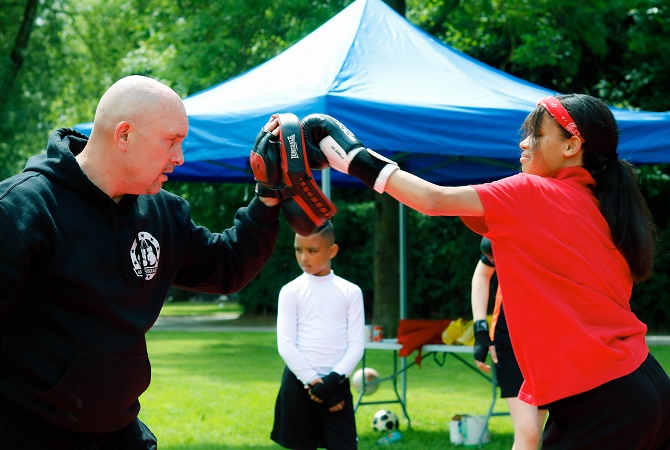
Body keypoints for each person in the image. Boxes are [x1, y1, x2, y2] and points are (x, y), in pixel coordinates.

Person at [299, 93, 670, 448]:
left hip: (604, 398)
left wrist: (352, 157)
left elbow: (433, 199)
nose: (524, 143)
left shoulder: (532, 193)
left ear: (572, 146)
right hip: (644, 385)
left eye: (537, 134)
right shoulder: (606, 211)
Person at [0, 75, 282, 449]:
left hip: (117, 429)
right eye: (172, 140)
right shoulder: (21, 209)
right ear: (124, 135)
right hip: (27, 433)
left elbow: (228, 266)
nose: (180, 157)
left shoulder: (164, 212)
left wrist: (268, 197)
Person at [271, 220, 365, 450]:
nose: (304, 257)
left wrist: (331, 384)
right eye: (298, 250)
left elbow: (356, 345)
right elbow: (286, 344)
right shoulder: (290, 291)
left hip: (337, 387)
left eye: (312, 251)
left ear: (332, 251)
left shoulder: (350, 292)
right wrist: (314, 383)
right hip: (298, 385)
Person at [472, 237, 547, 449]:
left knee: (537, 433)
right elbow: (482, 273)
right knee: (529, 432)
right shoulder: (510, 228)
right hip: (509, 340)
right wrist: (481, 330)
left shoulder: (557, 229)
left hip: (548, 342)